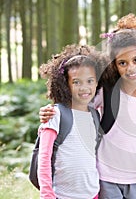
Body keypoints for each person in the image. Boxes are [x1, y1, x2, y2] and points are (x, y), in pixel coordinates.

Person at [39, 14, 136, 199]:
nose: (130, 68)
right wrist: (49, 111)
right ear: (115, 65)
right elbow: (77, 104)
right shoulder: (106, 92)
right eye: (122, 63)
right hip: (106, 177)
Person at [37, 44, 105, 199]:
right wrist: (47, 194)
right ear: (65, 85)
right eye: (76, 82)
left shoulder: (95, 115)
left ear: (96, 83)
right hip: (62, 195)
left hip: (92, 194)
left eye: (89, 81)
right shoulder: (56, 114)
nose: (84, 88)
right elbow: (44, 158)